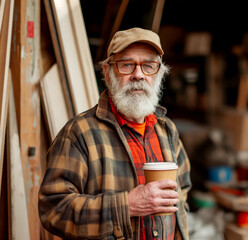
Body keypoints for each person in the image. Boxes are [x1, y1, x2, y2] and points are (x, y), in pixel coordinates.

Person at [38, 27, 192, 240]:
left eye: (148, 66)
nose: (138, 74)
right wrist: (126, 205)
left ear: (159, 74)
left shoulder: (167, 130)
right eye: (127, 65)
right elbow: (53, 210)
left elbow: (182, 193)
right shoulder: (79, 134)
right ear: (108, 74)